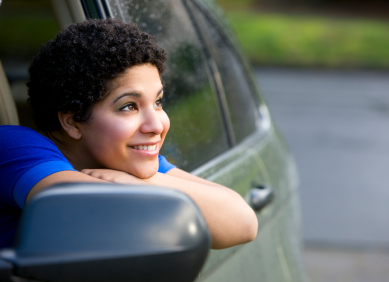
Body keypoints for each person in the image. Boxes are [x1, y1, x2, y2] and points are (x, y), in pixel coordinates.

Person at [0, 19, 257, 249]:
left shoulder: (127, 166)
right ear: (72, 121)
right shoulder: (14, 146)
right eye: (129, 106)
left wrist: (146, 182)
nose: (156, 125)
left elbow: (244, 223)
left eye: (158, 102)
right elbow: (89, 210)